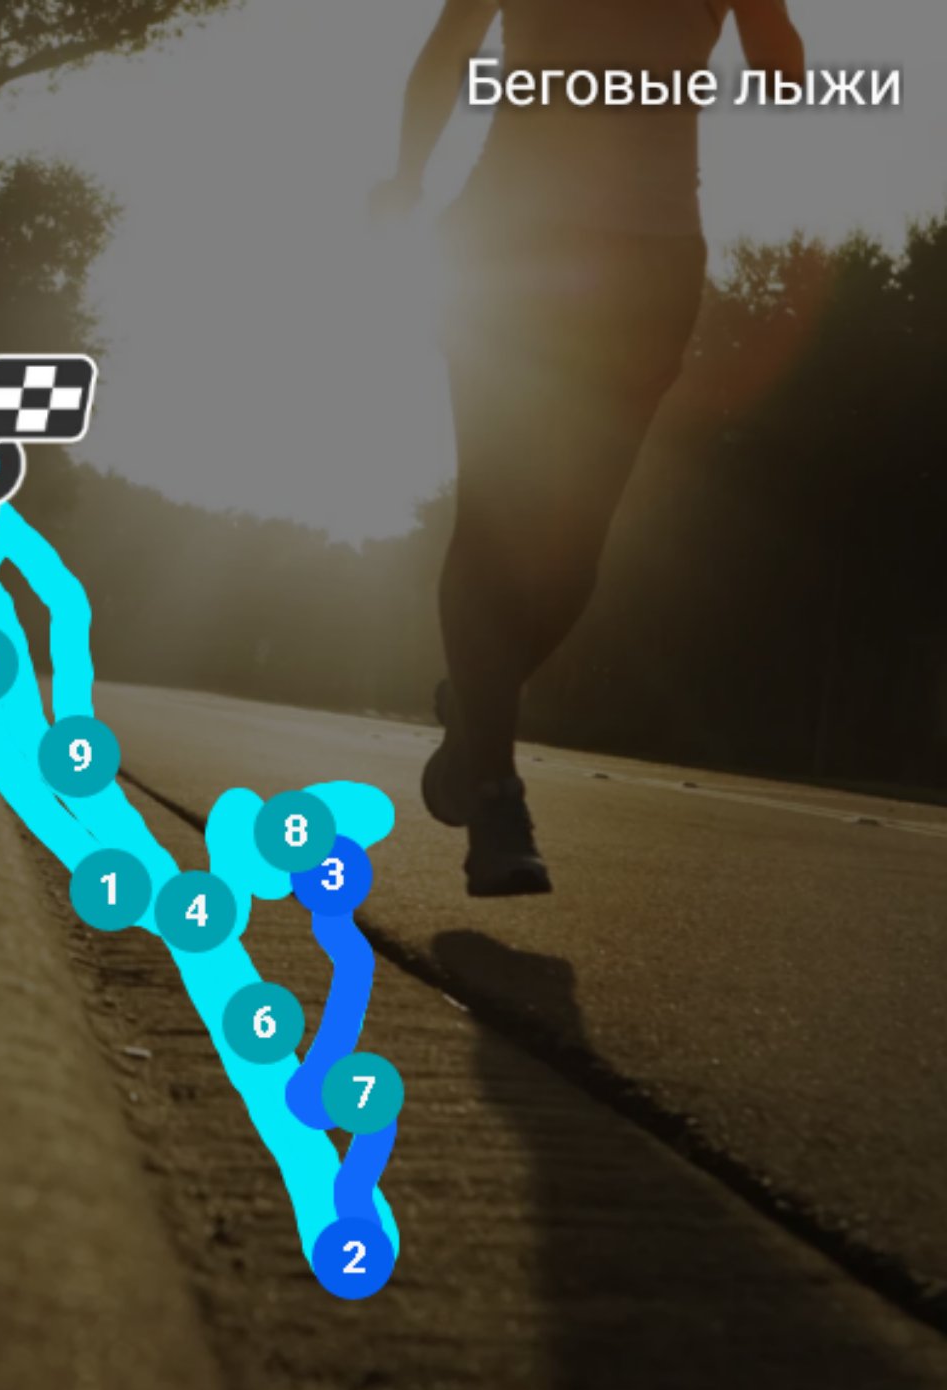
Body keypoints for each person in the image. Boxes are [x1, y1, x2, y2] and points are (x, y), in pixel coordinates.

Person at [374, 0, 805, 896]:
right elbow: (449, 47)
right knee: (493, 523)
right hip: (510, 244)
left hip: (652, 265)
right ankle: (496, 799)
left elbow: (783, 76)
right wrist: (407, 177)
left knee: (572, 555)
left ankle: (477, 708)